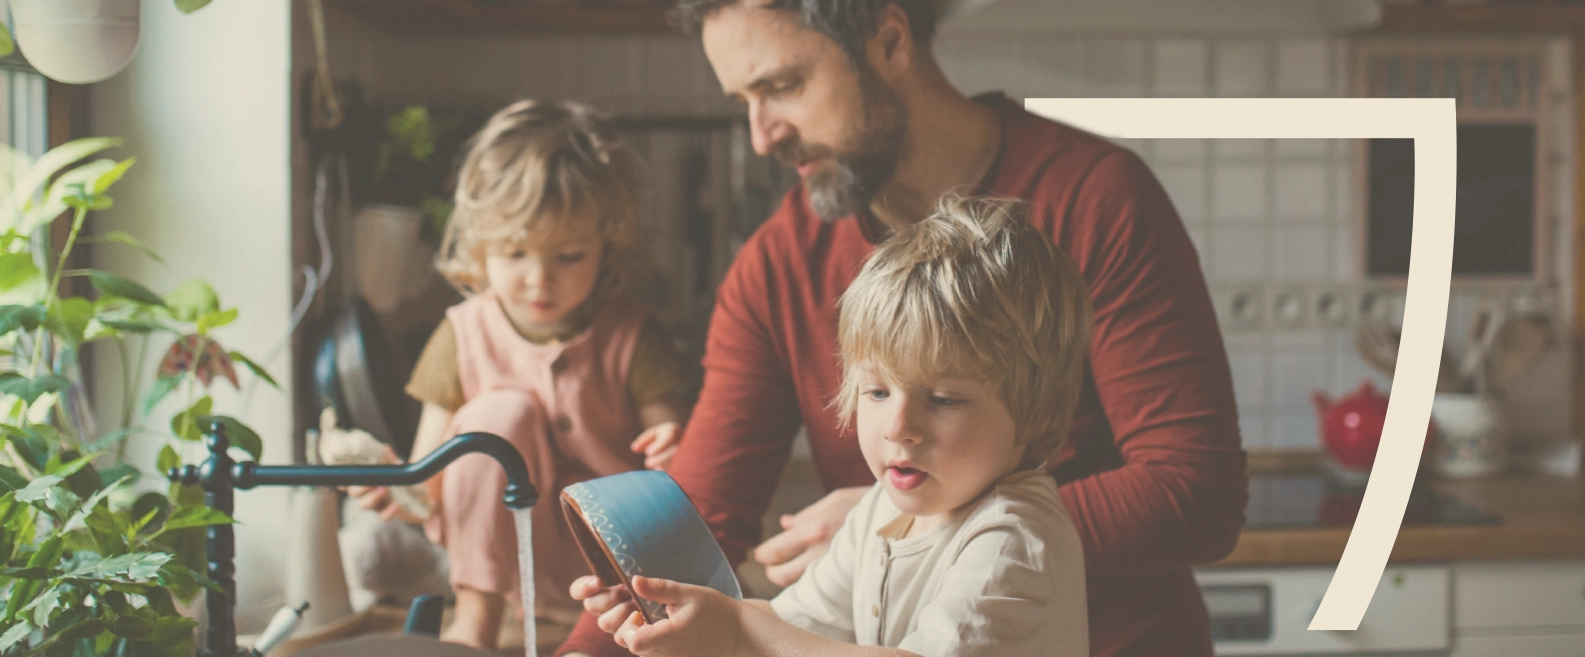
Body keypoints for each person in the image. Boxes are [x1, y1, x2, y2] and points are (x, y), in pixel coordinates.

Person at [564, 1, 1248, 655]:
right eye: (744, 100)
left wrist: (935, 515)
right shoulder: (776, 264)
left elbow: (1193, 488)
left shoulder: (1096, 198)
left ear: (890, 41)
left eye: (783, 85)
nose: (762, 134)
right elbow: (705, 513)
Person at [579, 194, 1094, 657]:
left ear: (1038, 412)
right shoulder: (881, 510)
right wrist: (684, 613)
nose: (898, 427)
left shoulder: (1011, 542)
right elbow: (791, 626)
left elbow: (762, 639)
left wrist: (738, 634)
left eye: (942, 399)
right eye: (876, 391)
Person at [352, 99, 693, 649]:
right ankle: (476, 624)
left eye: (568, 257)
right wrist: (398, 484)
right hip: (503, 568)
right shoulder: (461, 335)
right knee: (496, 416)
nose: (539, 280)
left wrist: (674, 447)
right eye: (514, 254)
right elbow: (428, 477)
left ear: (606, 248)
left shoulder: (632, 334)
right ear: (481, 247)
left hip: (617, 566)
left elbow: (678, 453)